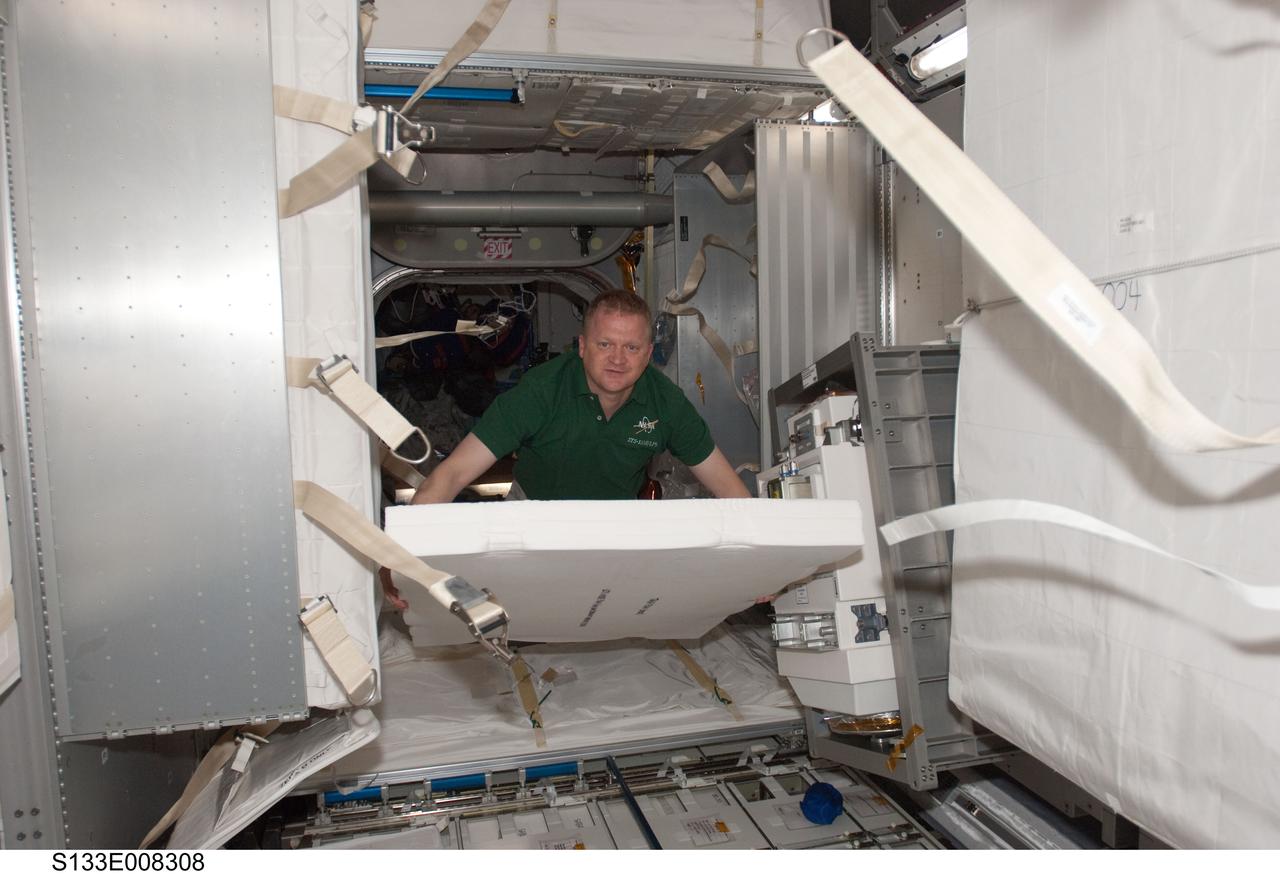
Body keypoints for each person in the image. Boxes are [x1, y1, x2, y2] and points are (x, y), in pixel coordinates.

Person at [383, 290, 750, 607]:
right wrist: (402, 563)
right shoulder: (540, 392)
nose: (618, 359)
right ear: (582, 346)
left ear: (648, 353)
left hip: (611, 529)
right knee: (519, 615)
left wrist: (761, 563)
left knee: (605, 618)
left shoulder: (666, 404)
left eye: (631, 347)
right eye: (605, 344)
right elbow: (452, 474)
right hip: (532, 516)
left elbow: (727, 486)